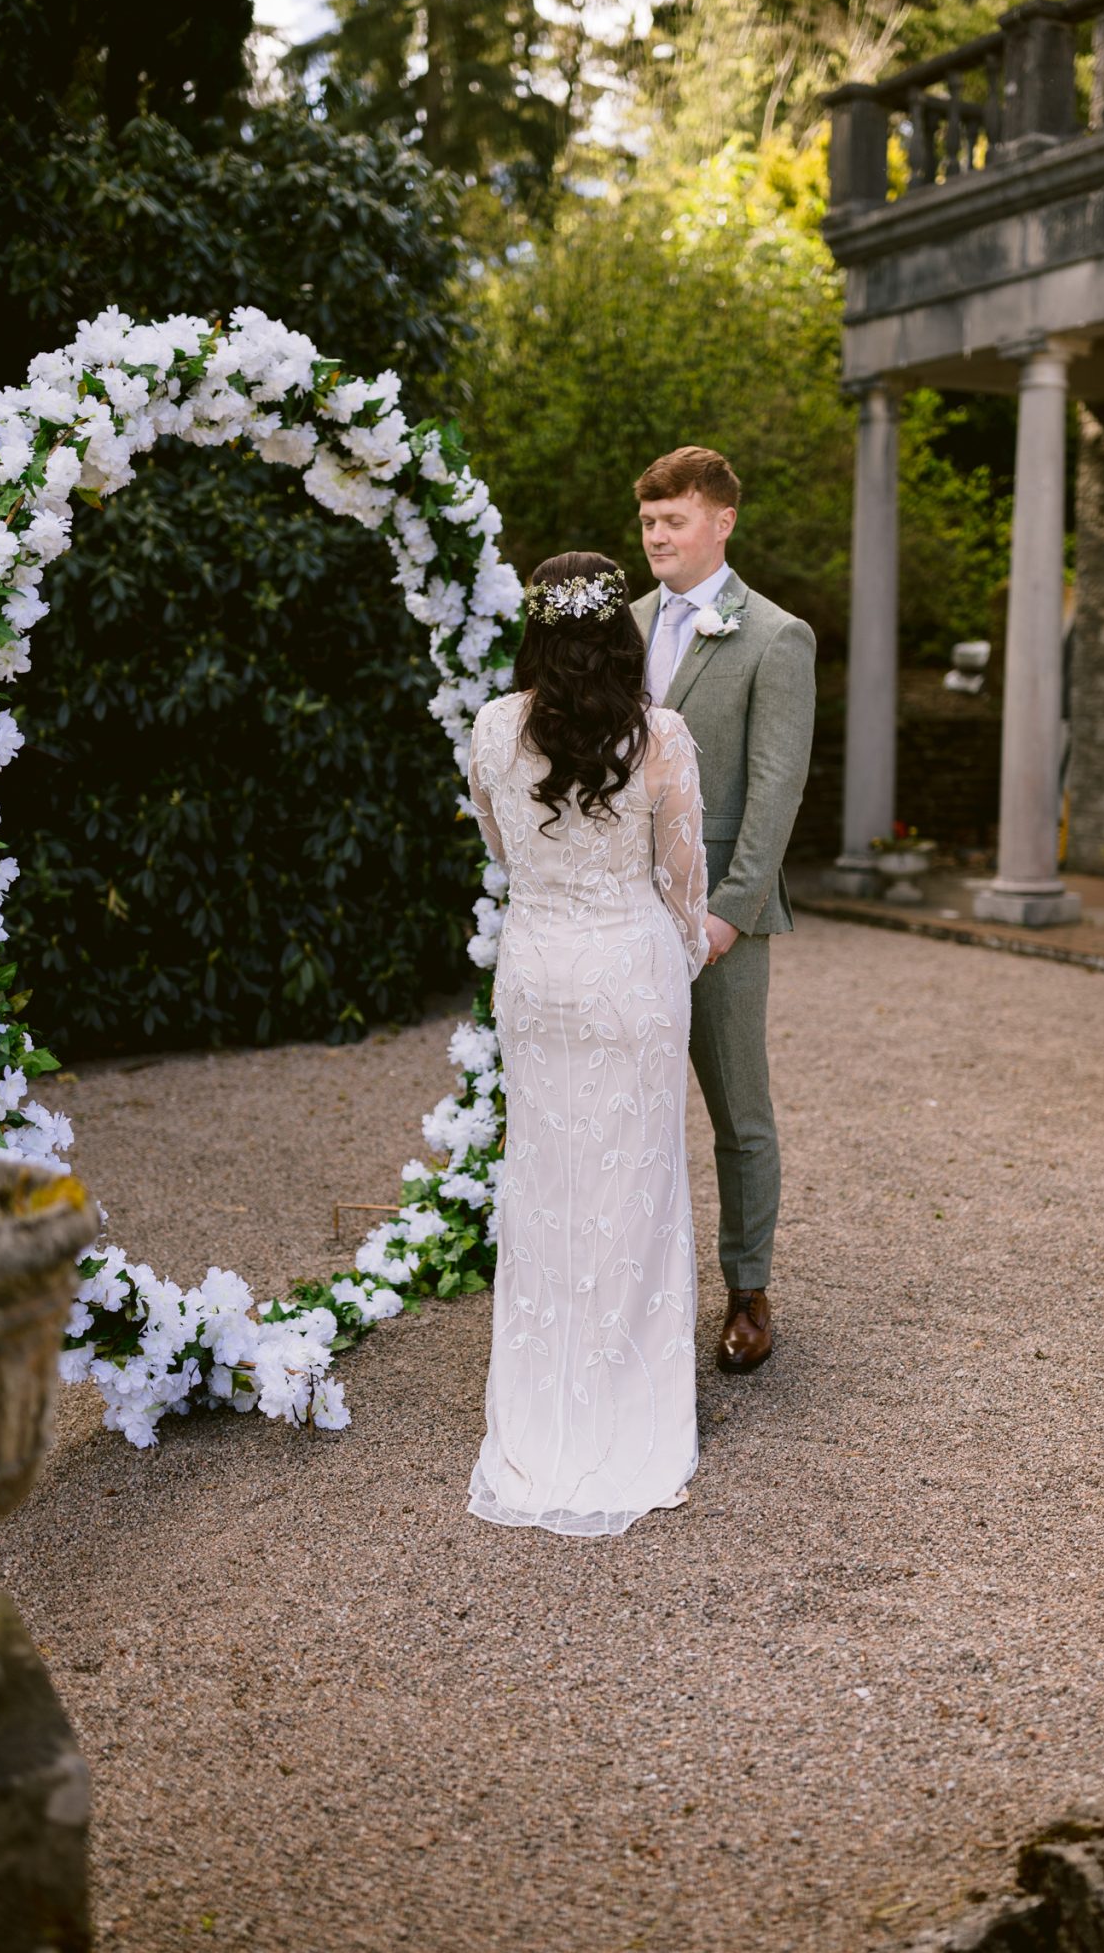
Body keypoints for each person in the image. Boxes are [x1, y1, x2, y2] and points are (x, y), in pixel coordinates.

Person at [466, 551, 710, 1536]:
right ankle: (629, 1400)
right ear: (622, 635)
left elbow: (499, 849)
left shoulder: (489, 729)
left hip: (537, 976)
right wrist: (680, 957)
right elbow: (683, 879)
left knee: (546, 1179)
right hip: (627, 971)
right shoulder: (663, 738)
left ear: (534, 633)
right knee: (636, 1186)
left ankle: (544, 1401)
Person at [630, 447, 816, 1375]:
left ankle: (748, 1289)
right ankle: (633, 1286)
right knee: (627, 1103)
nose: (658, 537)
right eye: (650, 523)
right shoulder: (624, 627)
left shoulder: (775, 638)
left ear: (722, 522)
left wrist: (728, 915)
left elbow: (777, 791)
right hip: (620, 911)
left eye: (674, 521)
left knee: (738, 1111)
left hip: (718, 918)